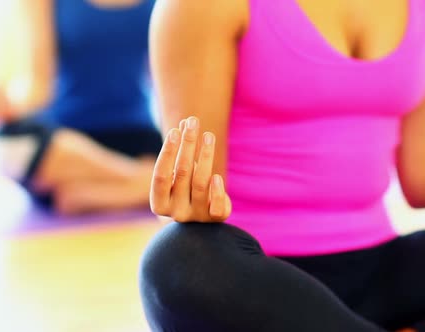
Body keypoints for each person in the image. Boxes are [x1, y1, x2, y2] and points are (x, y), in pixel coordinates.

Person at [139, 0, 425, 331]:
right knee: (178, 260)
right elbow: (191, 191)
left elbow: (418, 179)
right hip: (256, 283)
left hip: (382, 272)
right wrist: (185, 199)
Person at [0, 0, 161, 215]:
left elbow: (163, 82)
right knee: (7, 142)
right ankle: (148, 185)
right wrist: (10, 105)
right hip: (63, 143)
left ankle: (99, 195)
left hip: (136, 136)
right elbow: (36, 85)